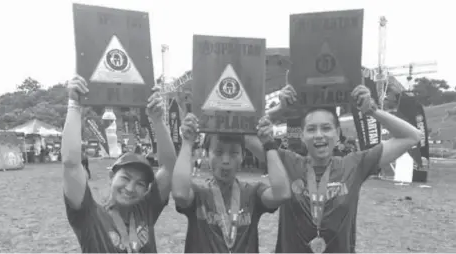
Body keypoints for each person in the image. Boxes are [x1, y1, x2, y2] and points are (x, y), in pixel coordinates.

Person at [245, 84, 422, 253]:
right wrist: (279, 110)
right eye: (311, 129)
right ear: (302, 135)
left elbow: (412, 136)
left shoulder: (355, 164)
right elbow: (245, 133)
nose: (319, 135)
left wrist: (372, 110)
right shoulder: (287, 162)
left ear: (337, 134)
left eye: (326, 128)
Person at [62, 76, 177, 253]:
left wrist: (158, 120)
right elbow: (71, 163)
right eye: (125, 177)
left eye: (140, 184)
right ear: (111, 176)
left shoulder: (146, 209)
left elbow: (169, 167)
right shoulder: (89, 216)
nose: (130, 188)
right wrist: (74, 105)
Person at [172, 114, 291, 253]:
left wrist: (269, 144)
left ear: (242, 157)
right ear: (206, 154)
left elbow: (282, 193)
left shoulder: (253, 193)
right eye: (218, 152)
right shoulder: (199, 194)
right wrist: (187, 142)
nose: (226, 160)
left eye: (234, 153)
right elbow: (179, 193)